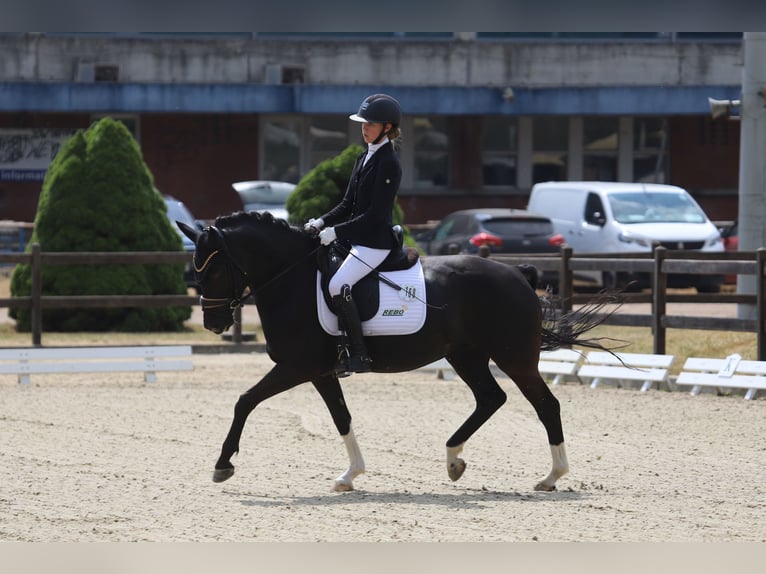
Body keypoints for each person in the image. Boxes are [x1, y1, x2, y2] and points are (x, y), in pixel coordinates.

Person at [304, 93, 403, 376]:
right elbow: (348, 204)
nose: (364, 128)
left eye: (370, 124)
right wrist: (320, 222)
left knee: (338, 285)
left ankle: (357, 355)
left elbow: (374, 215)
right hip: (357, 239)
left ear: (387, 127)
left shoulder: (389, 163)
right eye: (363, 123)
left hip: (375, 243)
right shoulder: (364, 157)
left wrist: (336, 232)